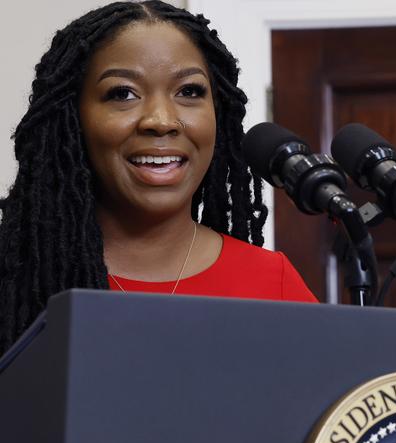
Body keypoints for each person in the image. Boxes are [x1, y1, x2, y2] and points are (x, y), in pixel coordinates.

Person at [0, 0, 317, 355]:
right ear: (72, 120)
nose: (161, 120)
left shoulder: (272, 284)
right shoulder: (14, 279)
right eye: (122, 93)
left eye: (189, 92)